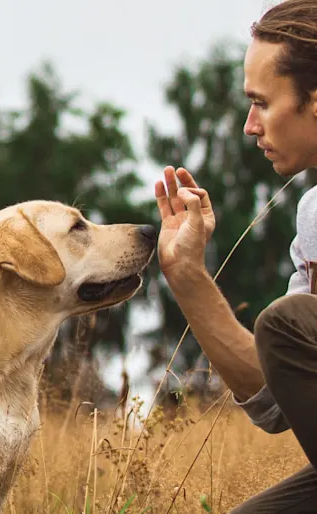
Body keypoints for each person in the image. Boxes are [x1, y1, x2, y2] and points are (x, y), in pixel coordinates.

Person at [155, 1, 317, 512]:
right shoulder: (313, 214)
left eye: (262, 103)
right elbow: (275, 402)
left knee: (285, 322)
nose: (249, 126)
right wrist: (187, 275)